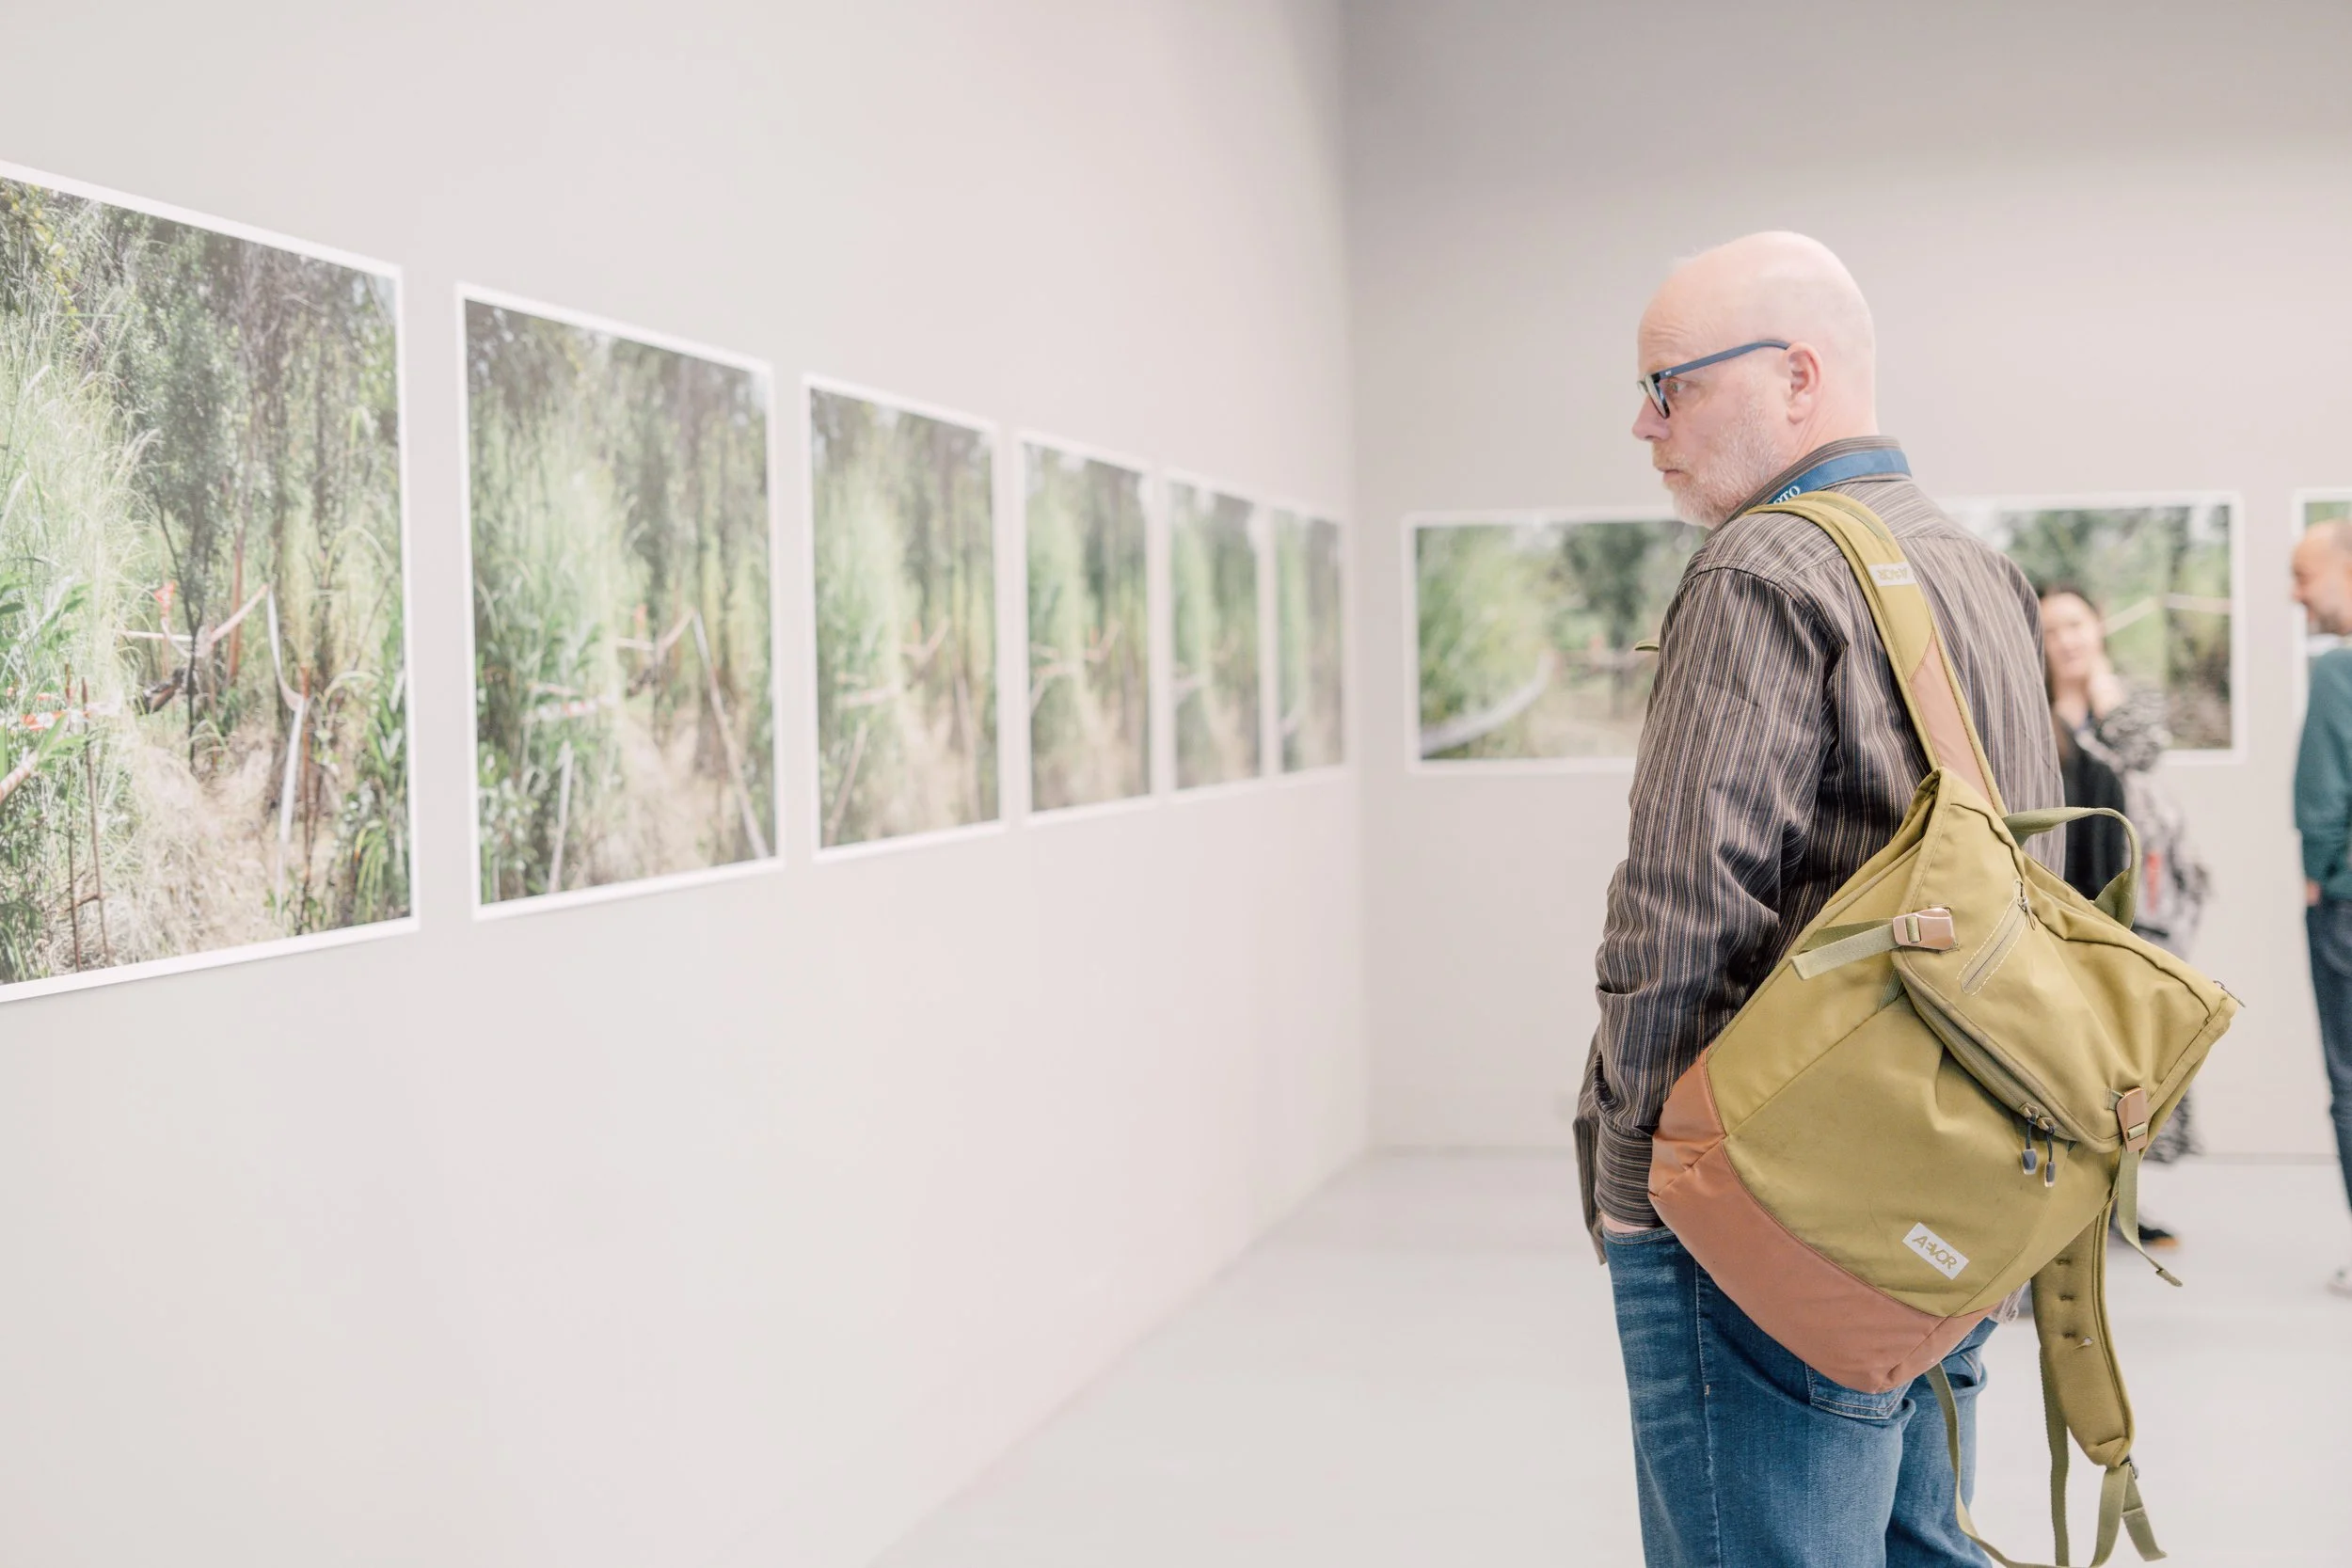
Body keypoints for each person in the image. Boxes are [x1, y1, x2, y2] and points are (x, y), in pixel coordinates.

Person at [1574, 231, 2063, 1568]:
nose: (1643, 422)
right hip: (1955, 1180)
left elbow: (1679, 912)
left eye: (1668, 385)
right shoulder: (1975, 567)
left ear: (1796, 377)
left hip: (1772, 1208)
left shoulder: (1759, 571)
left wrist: (1634, 1181)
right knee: (1923, 1539)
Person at [2040, 585, 2208, 1244]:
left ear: (2099, 624)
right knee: (2078, 1055)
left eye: (2077, 624)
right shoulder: (2035, 708)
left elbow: (2142, 754)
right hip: (2077, 888)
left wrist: (2102, 692)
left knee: (2140, 1053)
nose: (2068, 640)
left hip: (2150, 894)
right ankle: (2075, 1207)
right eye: (2053, 630)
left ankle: (2122, 1199)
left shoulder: (2129, 700)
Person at [2290, 520, 2352, 1300]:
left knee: (2351, 1077)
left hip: (2346, 904)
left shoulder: (2339, 670)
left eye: (2305, 574)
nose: (2296, 592)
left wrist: (2318, 876)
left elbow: (2325, 800)